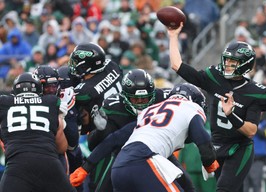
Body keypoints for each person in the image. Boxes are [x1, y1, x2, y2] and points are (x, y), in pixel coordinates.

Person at [167, 23, 266, 192]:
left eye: (233, 62)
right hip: (216, 146)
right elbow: (177, 65)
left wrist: (231, 114)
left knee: (223, 190)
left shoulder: (255, 92)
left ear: (246, 64)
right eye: (227, 60)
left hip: (239, 148)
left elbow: (251, 130)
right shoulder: (215, 77)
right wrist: (173, 36)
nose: (227, 64)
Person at [69, 83, 220, 191]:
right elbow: (203, 142)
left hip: (119, 167)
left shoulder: (150, 110)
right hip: (144, 161)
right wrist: (209, 163)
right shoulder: (190, 107)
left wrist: (85, 167)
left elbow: (114, 139)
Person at [87, 69, 193, 191]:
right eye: (135, 99)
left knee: (187, 185)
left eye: (144, 98)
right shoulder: (114, 105)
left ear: (152, 95)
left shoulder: (163, 98)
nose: (140, 103)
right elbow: (94, 145)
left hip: (159, 152)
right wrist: (101, 131)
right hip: (122, 157)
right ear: (125, 96)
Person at [0, 72, 76, 192]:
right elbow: (61, 147)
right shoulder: (52, 102)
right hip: (48, 162)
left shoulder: (4, 103)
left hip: (17, 164)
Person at [68, 42, 123, 191]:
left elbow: (69, 98)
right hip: (125, 123)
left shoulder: (86, 91)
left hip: (106, 135)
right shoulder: (113, 66)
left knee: (98, 184)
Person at [243, 115, 266, 192]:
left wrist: (255, 126)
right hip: (245, 158)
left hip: (258, 159)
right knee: (244, 185)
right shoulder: (245, 124)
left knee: (256, 183)